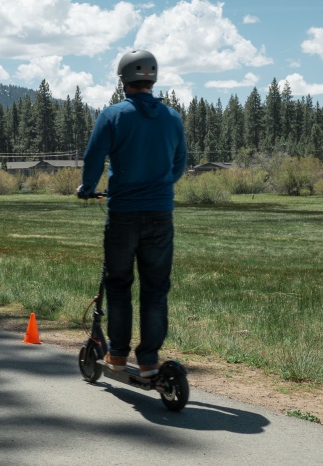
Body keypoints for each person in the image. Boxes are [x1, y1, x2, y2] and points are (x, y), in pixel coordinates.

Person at [77, 50, 187, 378]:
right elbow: (178, 165)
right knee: (155, 289)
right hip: (160, 214)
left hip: (123, 214)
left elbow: (94, 157)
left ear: (123, 79)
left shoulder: (113, 115)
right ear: (152, 79)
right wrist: (160, 187)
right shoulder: (173, 118)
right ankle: (150, 359)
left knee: (119, 283)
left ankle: (118, 356)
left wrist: (86, 188)